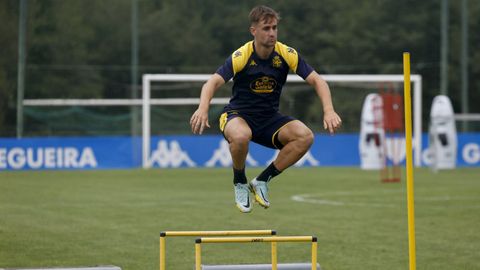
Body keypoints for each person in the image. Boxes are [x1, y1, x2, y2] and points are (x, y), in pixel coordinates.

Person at [190, 5, 342, 213]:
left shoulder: (286, 54)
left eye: (274, 28)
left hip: (269, 119)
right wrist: (202, 108)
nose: (272, 33)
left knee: (305, 136)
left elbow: (317, 81)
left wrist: (329, 110)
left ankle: (262, 180)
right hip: (237, 116)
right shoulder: (242, 55)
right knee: (242, 136)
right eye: (266, 28)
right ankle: (240, 182)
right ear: (254, 31)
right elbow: (212, 83)